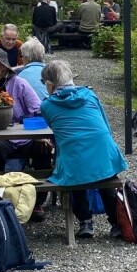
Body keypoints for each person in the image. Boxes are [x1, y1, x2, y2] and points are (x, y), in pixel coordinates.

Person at [40, 59, 128, 238]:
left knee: (74, 168)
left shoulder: (47, 106)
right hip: (104, 155)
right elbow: (105, 124)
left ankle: (85, 221)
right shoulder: (89, 95)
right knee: (105, 174)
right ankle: (116, 223)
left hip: (75, 164)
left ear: (50, 85)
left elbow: (55, 130)